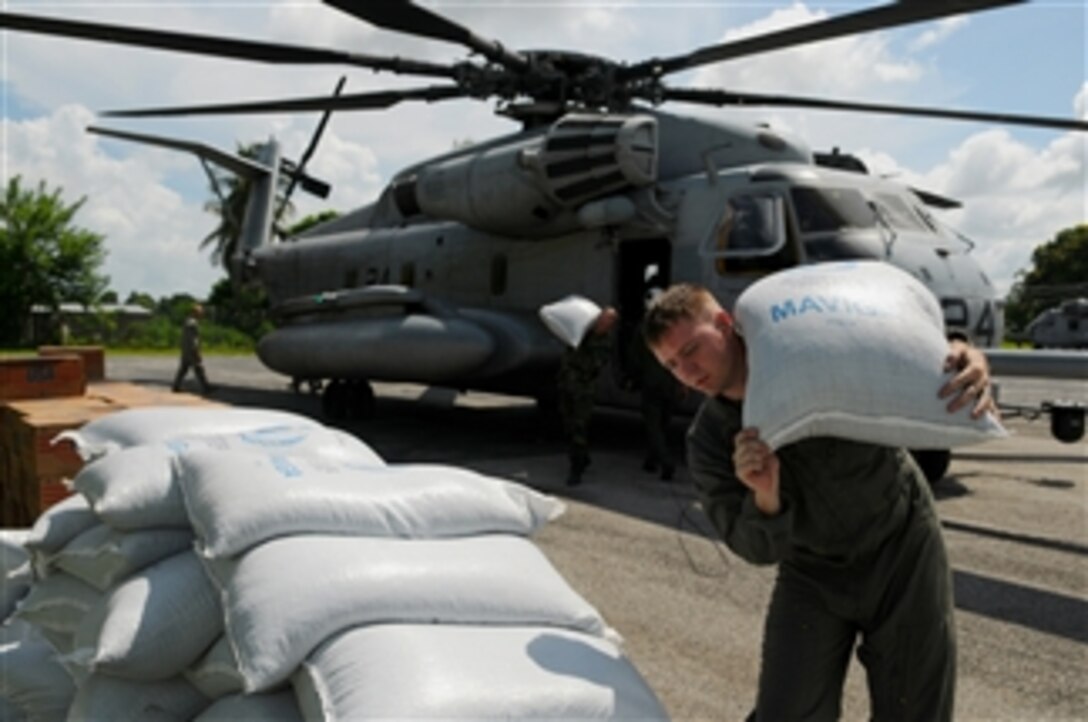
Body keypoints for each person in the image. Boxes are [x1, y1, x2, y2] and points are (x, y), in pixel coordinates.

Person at [642, 283, 996, 722]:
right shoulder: (711, 441)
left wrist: (963, 354)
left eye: (692, 349)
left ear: (725, 323)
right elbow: (754, 549)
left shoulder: (817, 359)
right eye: (672, 364)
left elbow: (890, 339)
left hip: (901, 543)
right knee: (787, 711)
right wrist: (764, 498)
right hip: (812, 570)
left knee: (915, 705)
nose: (688, 372)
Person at [557, 305, 618, 486]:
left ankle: (576, 469)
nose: (602, 322)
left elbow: (592, 365)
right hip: (566, 385)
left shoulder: (604, 343)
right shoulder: (582, 332)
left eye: (607, 321)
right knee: (567, 424)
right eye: (601, 318)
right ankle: (582, 457)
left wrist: (580, 345)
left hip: (583, 391)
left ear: (611, 325)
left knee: (579, 428)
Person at [172, 303, 212, 394]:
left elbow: (184, 338)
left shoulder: (187, 321)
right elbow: (194, 339)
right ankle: (206, 387)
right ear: (195, 313)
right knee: (199, 368)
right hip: (191, 350)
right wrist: (197, 351)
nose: (202, 314)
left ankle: (176, 385)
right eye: (200, 312)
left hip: (185, 349)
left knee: (183, 368)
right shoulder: (193, 324)